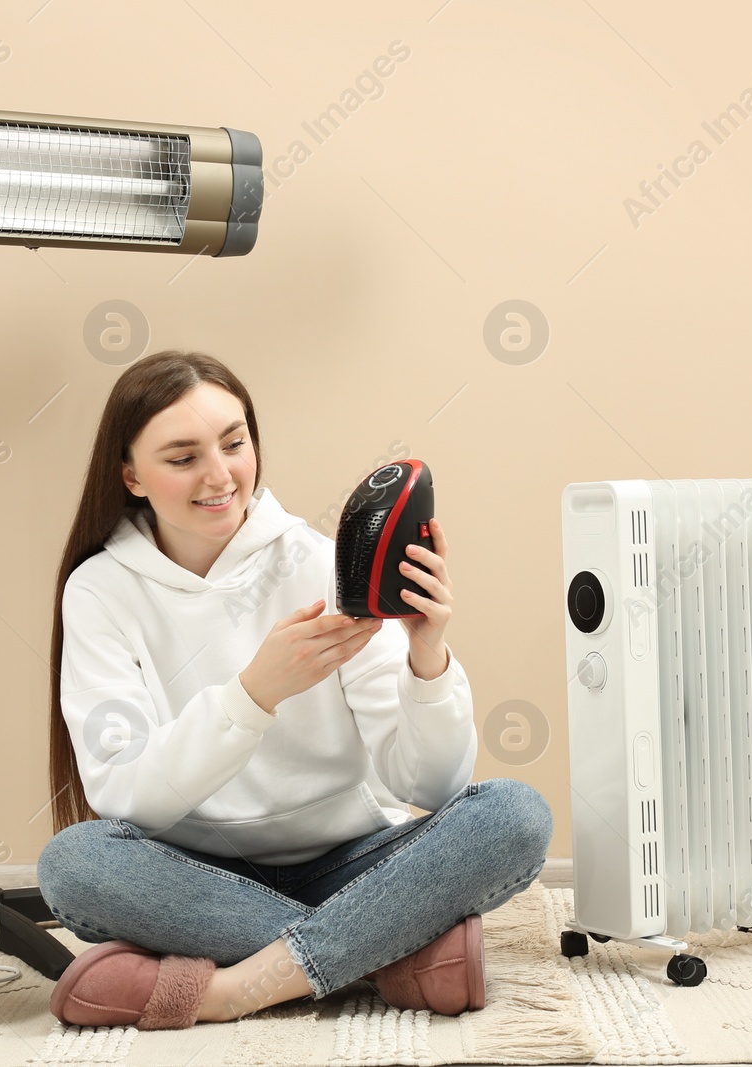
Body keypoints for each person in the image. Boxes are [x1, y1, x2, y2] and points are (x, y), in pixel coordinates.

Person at [37, 350, 552, 1030]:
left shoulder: (319, 563)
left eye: (234, 443)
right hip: (190, 879)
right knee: (74, 864)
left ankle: (236, 988)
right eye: (183, 457)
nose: (220, 475)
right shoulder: (100, 591)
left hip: (351, 862)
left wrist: (427, 659)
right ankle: (385, 954)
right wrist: (253, 695)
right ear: (130, 474)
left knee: (514, 813)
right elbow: (126, 793)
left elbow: (430, 786)